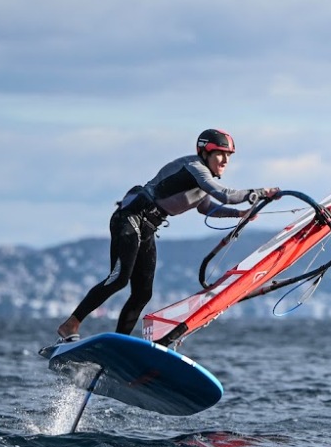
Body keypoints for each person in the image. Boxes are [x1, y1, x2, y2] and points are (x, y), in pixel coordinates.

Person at [55, 128, 279, 341]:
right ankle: (71, 324)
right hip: (130, 218)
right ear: (205, 152)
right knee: (120, 278)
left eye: (228, 156)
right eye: (220, 154)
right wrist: (261, 193)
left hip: (146, 228)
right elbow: (225, 195)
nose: (225, 161)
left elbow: (208, 208)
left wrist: (239, 214)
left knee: (143, 293)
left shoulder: (202, 184)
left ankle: (119, 343)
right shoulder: (195, 168)